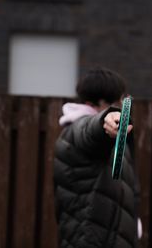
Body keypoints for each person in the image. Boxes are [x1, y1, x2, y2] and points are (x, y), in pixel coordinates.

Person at [54, 67, 141, 248]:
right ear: (100, 101)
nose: (125, 101)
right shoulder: (76, 131)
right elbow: (90, 130)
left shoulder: (117, 136)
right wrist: (107, 118)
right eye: (121, 97)